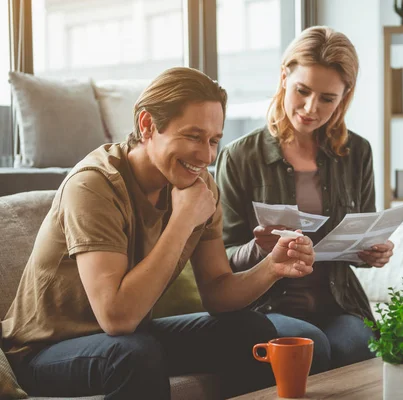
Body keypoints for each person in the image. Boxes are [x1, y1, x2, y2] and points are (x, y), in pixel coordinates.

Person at [1, 67, 315, 399]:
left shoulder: (200, 186)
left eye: (213, 140)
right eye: (193, 136)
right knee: (133, 353)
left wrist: (271, 268)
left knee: (250, 331)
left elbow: (218, 293)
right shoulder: (94, 185)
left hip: (130, 337)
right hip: (43, 352)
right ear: (147, 125)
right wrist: (182, 220)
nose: (206, 156)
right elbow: (116, 317)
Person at [215, 26, 395, 374]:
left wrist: (373, 250)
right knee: (310, 346)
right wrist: (259, 248)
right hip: (267, 306)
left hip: (338, 302)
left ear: (344, 96)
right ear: (284, 77)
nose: (311, 108)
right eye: (302, 91)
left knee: (355, 344)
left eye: (328, 98)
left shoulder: (357, 152)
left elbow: (362, 234)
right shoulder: (239, 156)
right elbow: (220, 260)